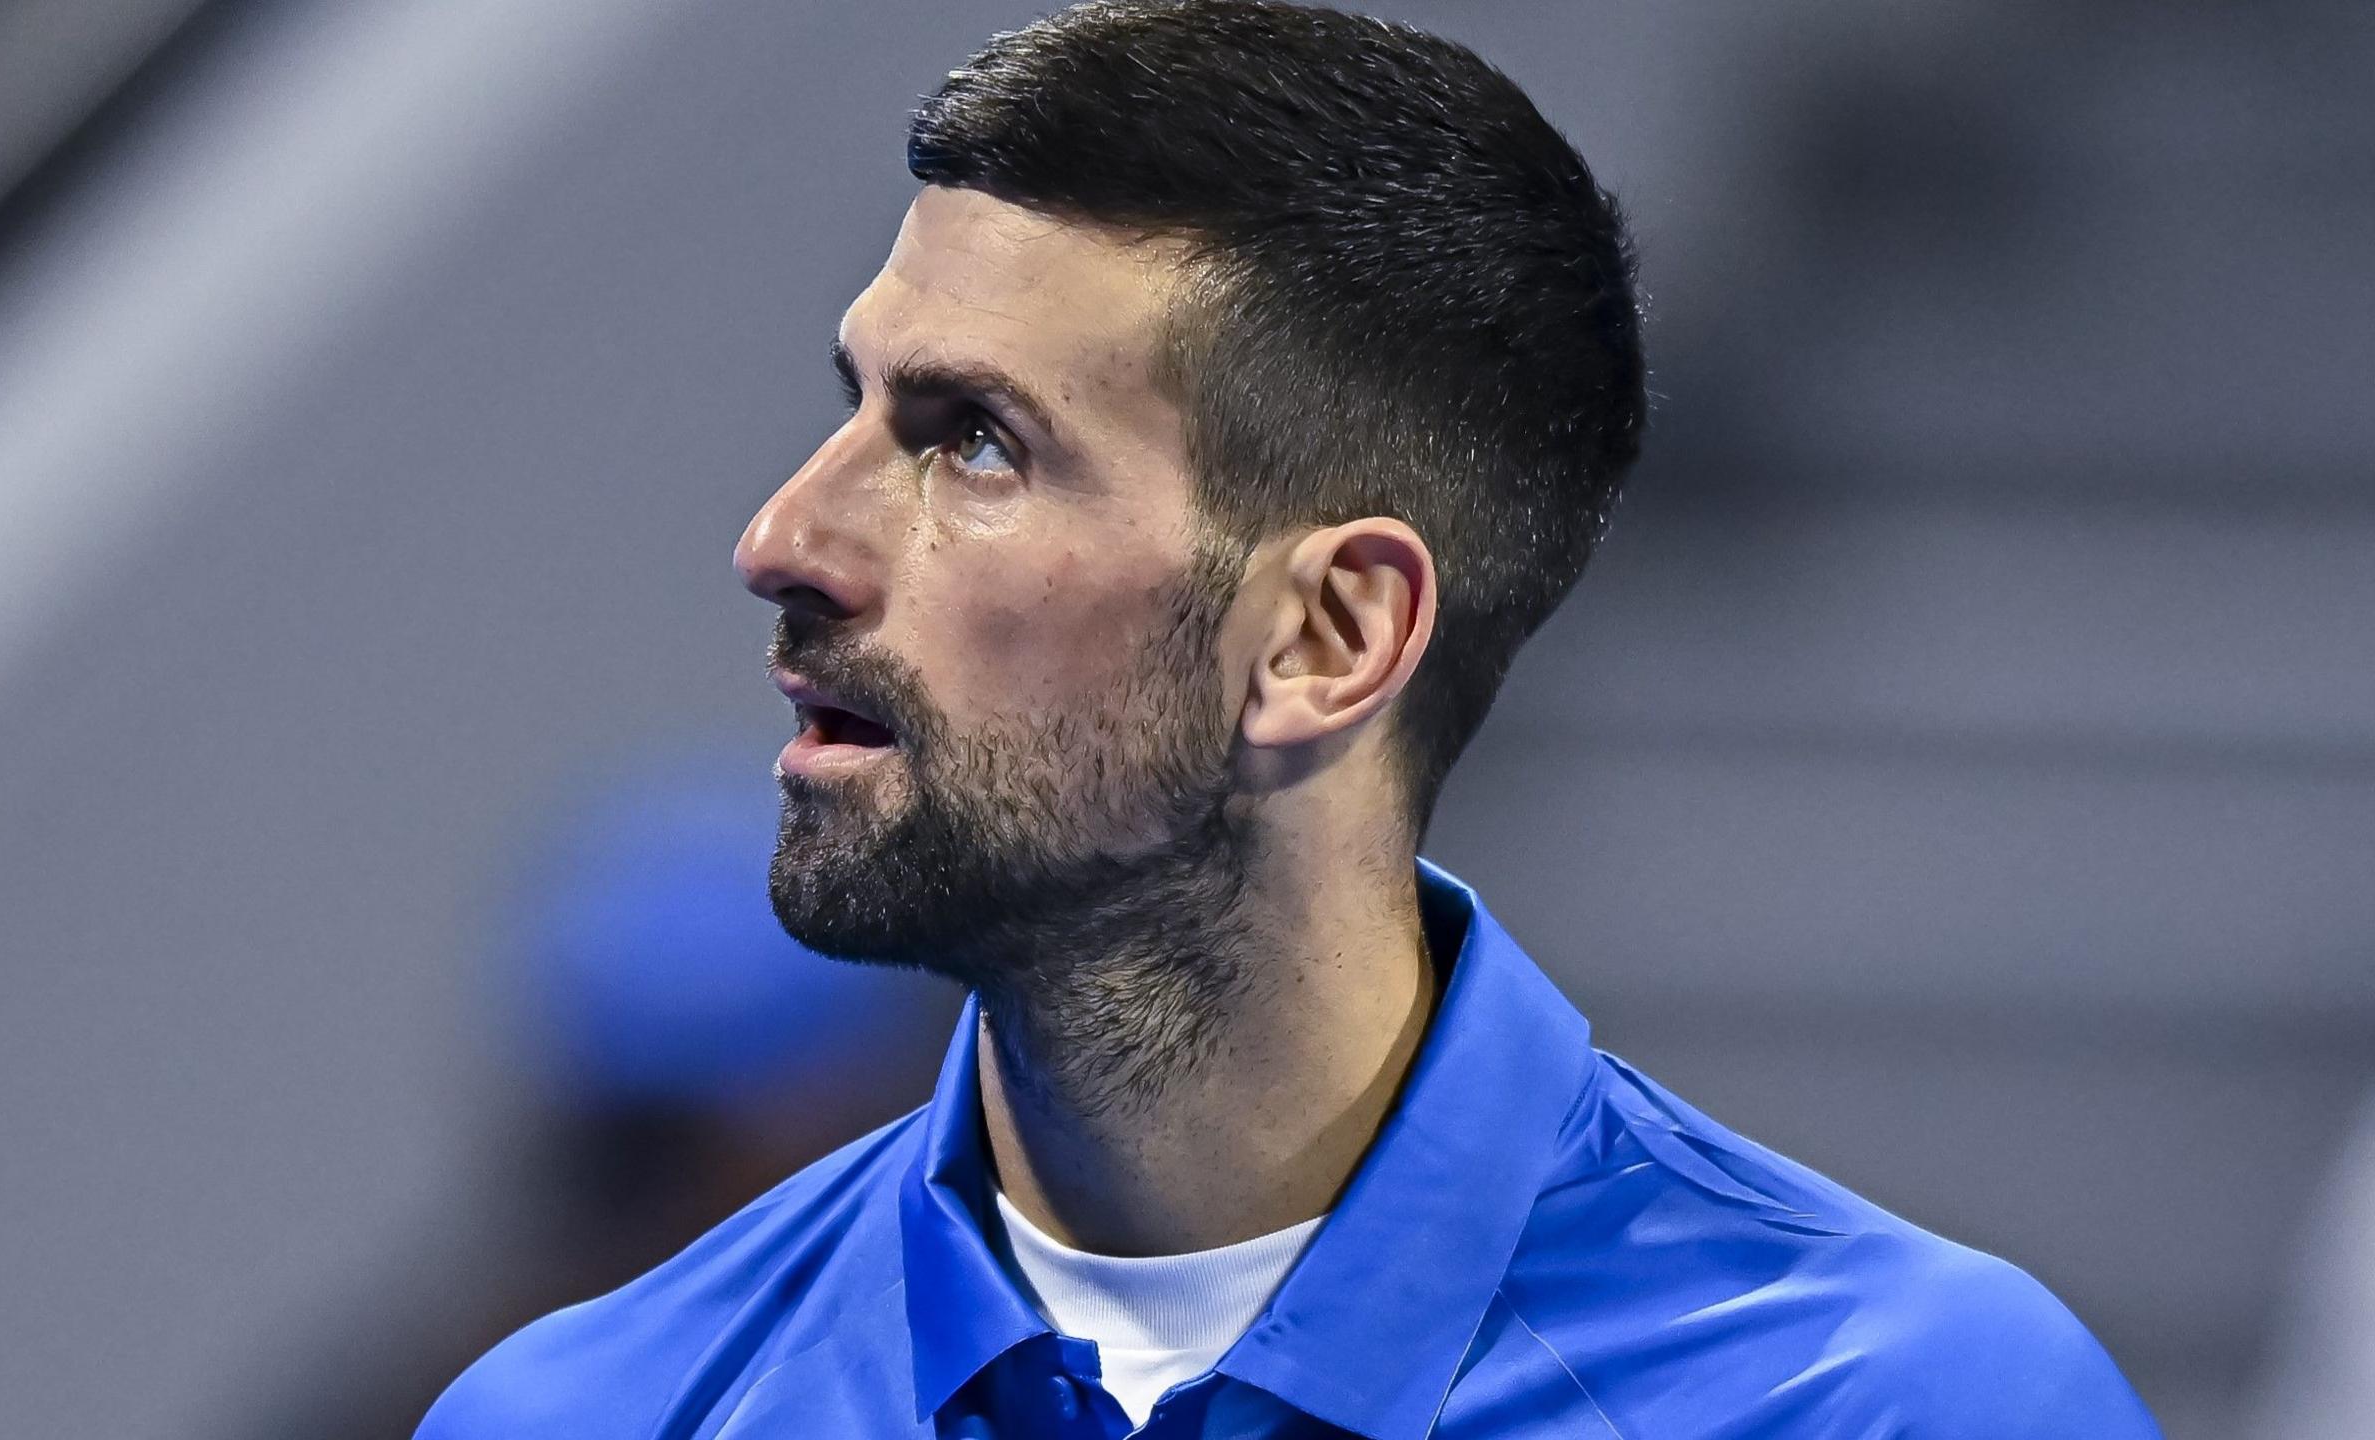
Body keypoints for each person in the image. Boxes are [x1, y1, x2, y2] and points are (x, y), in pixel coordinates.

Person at [418, 2, 2159, 1435]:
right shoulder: (587, 1413)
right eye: (859, 405)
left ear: (1330, 635)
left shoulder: (1907, 1408)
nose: (784, 540)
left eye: (973, 442)